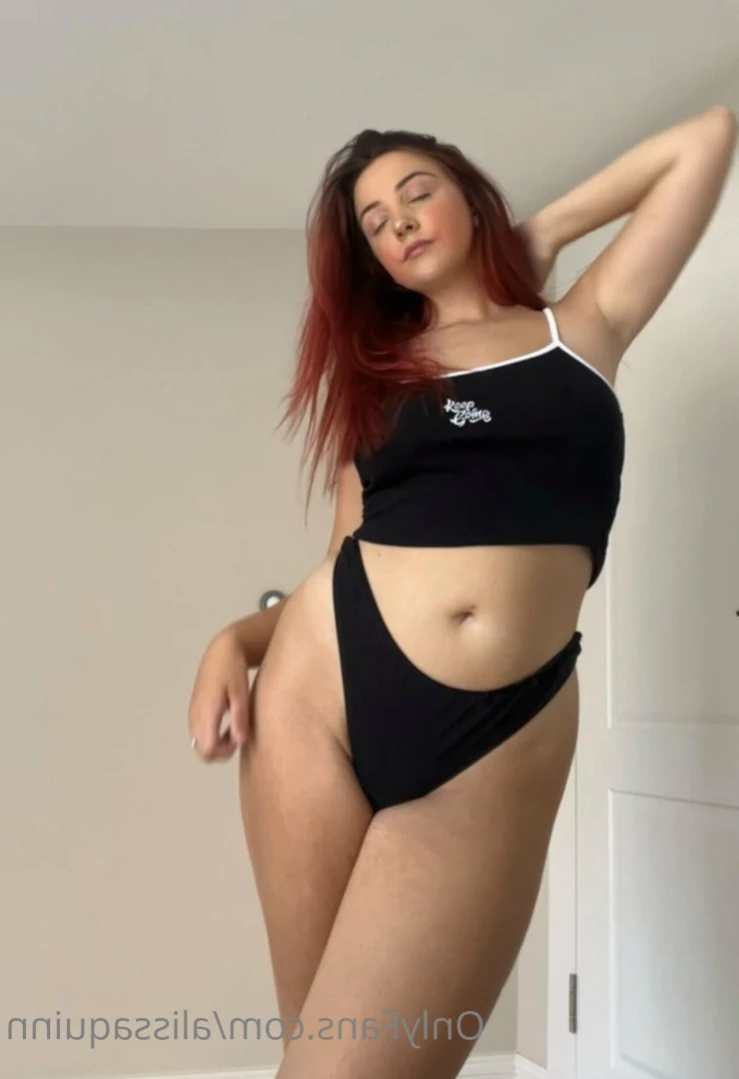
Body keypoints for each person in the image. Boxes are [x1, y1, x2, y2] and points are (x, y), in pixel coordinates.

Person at [188, 106, 736, 1079]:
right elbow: (340, 556)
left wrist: (540, 232)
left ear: (470, 202)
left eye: (417, 192)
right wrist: (233, 641)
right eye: (374, 222)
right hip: (318, 694)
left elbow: (708, 135)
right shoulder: (377, 382)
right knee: (312, 1056)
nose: (398, 221)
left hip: (497, 731)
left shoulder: (581, 326)